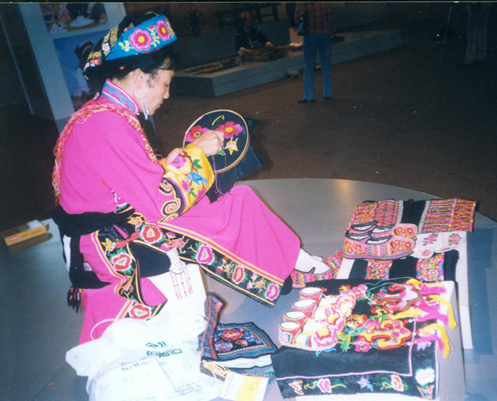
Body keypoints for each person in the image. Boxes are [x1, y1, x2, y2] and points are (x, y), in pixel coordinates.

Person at [52, 13, 331, 344]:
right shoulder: (107, 122)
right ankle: (287, 266)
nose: (167, 94)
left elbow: (118, 178)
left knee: (235, 199)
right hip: (109, 240)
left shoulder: (101, 112)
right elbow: (161, 204)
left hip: (116, 220)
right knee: (223, 207)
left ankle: (285, 264)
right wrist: (195, 152)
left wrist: (166, 163)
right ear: (142, 78)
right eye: (166, 84)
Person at [295, 3, 333, 103]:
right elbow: (329, 16)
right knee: (326, 63)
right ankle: (328, 93)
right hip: (324, 33)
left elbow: (298, 17)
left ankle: (309, 95)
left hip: (310, 34)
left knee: (308, 64)